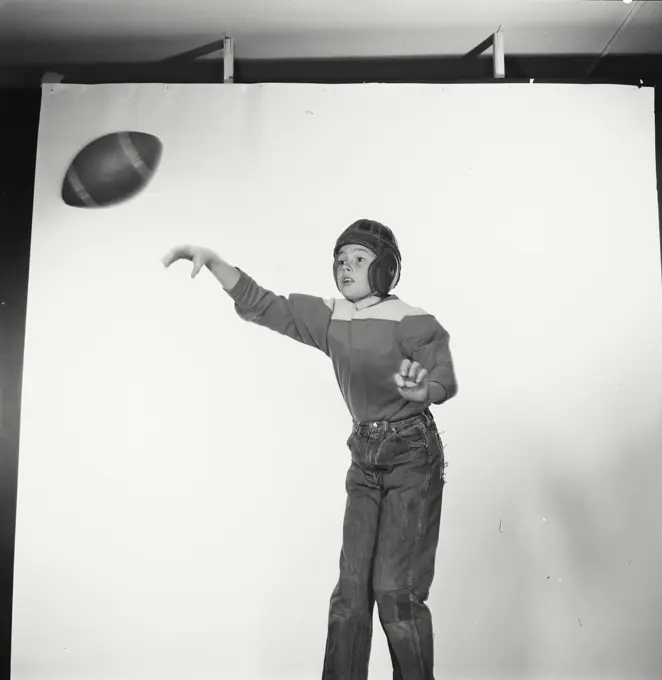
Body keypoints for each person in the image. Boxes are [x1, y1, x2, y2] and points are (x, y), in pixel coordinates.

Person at [161, 218, 458, 680]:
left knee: (395, 591)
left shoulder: (411, 319)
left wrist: (427, 389)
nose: (345, 267)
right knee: (350, 592)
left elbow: (441, 371)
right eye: (340, 260)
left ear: (386, 270)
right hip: (365, 455)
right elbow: (267, 305)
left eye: (359, 260)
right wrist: (218, 264)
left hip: (411, 454)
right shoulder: (332, 315)